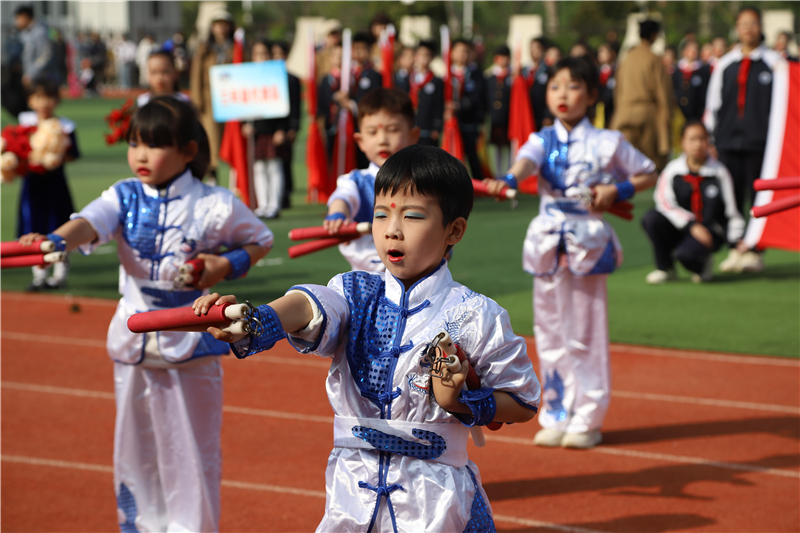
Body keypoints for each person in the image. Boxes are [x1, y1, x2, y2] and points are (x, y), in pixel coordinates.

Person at [193, 143, 541, 532]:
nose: (392, 229)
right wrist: (258, 320)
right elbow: (310, 305)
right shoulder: (355, 292)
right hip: (350, 493)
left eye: (412, 216)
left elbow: (523, 400)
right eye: (380, 215)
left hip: (436, 499)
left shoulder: (477, 314)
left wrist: (460, 402)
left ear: (454, 230)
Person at [18, 96, 273, 532]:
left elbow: (260, 238)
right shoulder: (124, 194)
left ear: (188, 151)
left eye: (153, 145)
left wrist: (222, 265)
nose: (140, 154)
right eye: (134, 143)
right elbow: (89, 221)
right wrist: (57, 241)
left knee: (193, 452)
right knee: (135, 449)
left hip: (192, 337)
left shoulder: (216, 203)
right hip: (134, 336)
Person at [487, 56, 657, 448]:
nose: (563, 94)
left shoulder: (607, 141)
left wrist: (617, 190)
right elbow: (526, 162)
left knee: (585, 332)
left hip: (586, 241)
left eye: (573, 85)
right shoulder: (541, 138)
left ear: (592, 94)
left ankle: (588, 416)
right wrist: (511, 178)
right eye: (555, 86)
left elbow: (647, 171)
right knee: (549, 333)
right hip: (548, 241)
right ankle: (557, 411)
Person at [704, 6, 785, 273]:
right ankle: (735, 247)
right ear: (736, 28)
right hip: (727, 143)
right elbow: (713, 104)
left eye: (753, 23)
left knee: (759, 199)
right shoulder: (725, 64)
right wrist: (711, 138)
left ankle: (755, 251)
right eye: (743, 24)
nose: (748, 28)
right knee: (731, 198)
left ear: (760, 27)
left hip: (760, 145)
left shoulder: (775, 64)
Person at [324, 87, 419, 271]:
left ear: (413, 135)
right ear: (360, 141)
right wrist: (337, 215)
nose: (382, 139)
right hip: (368, 278)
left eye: (393, 130)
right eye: (372, 132)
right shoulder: (356, 180)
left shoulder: (424, 181)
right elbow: (343, 197)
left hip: (417, 278)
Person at [642, 121, 744, 284]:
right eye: (692, 139)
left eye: (702, 139)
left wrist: (735, 241)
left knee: (686, 256)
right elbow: (664, 203)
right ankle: (665, 268)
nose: (698, 144)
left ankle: (702, 263)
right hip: (682, 228)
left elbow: (732, 211)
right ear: (682, 142)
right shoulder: (672, 171)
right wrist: (690, 225)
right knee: (651, 218)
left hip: (709, 233)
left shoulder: (719, 172)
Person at [16, 79, 80, 291]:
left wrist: (57, 154)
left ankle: (60, 275)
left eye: (49, 97)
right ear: (30, 100)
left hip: (56, 186)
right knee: (34, 228)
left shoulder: (65, 125)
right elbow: (17, 150)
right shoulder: (25, 124)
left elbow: (73, 154)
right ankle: (39, 275)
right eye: (38, 97)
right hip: (32, 186)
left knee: (60, 227)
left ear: (57, 100)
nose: (44, 102)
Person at [611, 19, 674, 171]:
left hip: (624, 111)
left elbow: (617, 89)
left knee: (624, 158)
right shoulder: (653, 58)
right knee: (652, 160)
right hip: (647, 112)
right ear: (654, 35)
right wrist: (666, 117)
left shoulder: (626, 58)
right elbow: (663, 93)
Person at [190, 8, 234, 184]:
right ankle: (213, 174)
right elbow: (196, 74)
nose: (221, 29)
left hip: (232, 98)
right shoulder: (205, 48)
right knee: (212, 138)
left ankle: (234, 176)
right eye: (217, 25)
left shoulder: (236, 47)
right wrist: (198, 99)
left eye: (224, 25)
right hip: (210, 99)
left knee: (232, 137)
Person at [243, 40, 286, 219]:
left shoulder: (278, 76)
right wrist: (244, 124)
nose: (261, 58)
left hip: (273, 130)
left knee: (274, 168)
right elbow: (241, 103)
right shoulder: (247, 77)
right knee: (259, 168)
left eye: (265, 54)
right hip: (255, 131)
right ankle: (263, 204)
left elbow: (285, 106)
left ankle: (274, 205)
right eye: (257, 55)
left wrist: (282, 129)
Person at [336, 31, 384, 169]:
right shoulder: (347, 74)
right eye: (356, 49)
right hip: (349, 125)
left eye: (362, 49)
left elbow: (374, 101)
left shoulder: (374, 75)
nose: (359, 53)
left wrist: (351, 105)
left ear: (369, 51)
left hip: (366, 123)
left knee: (366, 161)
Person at [448, 38, 485, 179]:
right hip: (452, 121)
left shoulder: (475, 74)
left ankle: (478, 181)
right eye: (458, 51)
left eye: (465, 52)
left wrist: (461, 105)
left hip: (469, 119)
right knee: (453, 152)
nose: (462, 55)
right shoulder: (447, 74)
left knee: (471, 151)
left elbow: (477, 95)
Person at [271, 40, 301, 209]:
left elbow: (296, 106)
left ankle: (286, 193)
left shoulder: (292, 79)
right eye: (274, 54)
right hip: (270, 129)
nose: (277, 57)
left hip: (286, 126)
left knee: (286, 160)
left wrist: (293, 127)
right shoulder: (266, 78)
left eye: (280, 54)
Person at [405, 40, 444, 147]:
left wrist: (437, 127)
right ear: (415, 56)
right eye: (420, 54)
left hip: (427, 127)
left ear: (432, 58)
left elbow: (439, 104)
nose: (423, 58)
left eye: (427, 55)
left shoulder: (436, 81)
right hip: (410, 125)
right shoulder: (409, 78)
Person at [485, 45, 513, 174]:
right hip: (495, 118)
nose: (503, 60)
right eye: (501, 57)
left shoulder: (512, 77)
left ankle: (508, 171)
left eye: (506, 57)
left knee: (509, 147)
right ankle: (497, 173)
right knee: (496, 147)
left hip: (509, 118)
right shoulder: (490, 77)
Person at [14, 5, 56, 87]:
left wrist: (31, 74)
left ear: (25, 16)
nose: (16, 22)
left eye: (18, 18)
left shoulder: (40, 32)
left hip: (40, 79)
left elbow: (45, 56)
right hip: (30, 78)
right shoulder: (25, 33)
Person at [673, 40, 710, 122]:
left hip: (697, 111)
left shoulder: (703, 71)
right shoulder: (677, 70)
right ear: (684, 51)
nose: (693, 52)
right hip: (680, 111)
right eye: (690, 49)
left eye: (695, 49)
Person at [524, 37, 550, 131]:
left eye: (537, 48)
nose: (533, 51)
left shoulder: (548, 70)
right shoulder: (524, 70)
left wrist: (548, 115)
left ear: (543, 50)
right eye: (531, 47)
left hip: (542, 117)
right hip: (526, 116)